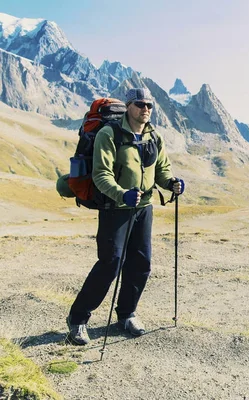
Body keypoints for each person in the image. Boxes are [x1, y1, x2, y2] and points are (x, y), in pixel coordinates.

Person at [66, 88, 185, 345]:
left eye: (150, 105)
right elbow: (101, 175)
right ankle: (78, 320)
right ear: (129, 106)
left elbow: (162, 170)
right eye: (141, 104)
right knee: (110, 264)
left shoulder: (154, 137)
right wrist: (122, 195)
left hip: (144, 208)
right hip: (115, 209)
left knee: (141, 263)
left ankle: (127, 314)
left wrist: (171, 183)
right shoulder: (110, 135)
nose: (146, 109)